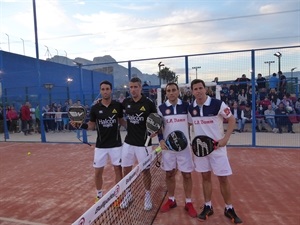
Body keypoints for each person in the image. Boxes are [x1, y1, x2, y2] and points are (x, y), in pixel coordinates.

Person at [188, 79, 242, 224]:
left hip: (218, 148)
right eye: (195, 89)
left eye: (200, 88)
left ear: (205, 89)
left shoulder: (217, 104)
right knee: (205, 177)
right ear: (192, 91)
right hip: (200, 150)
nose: (198, 91)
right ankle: (208, 206)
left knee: (223, 178)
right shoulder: (191, 108)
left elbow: (231, 120)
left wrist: (226, 138)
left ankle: (229, 208)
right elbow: (187, 124)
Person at [70, 80, 124, 203]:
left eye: (107, 89)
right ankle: (99, 195)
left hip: (116, 145)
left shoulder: (117, 106)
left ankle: (118, 195)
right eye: (103, 89)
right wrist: (80, 125)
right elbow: (91, 125)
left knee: (118, 170)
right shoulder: (95, 108)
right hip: (101, 146)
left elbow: (122, 121)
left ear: (111, 90)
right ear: (100, 91)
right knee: (98, 172)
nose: (105, 91)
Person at [157, 82, 197, 218]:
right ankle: (171, 200)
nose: (171, 93)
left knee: (187, 175)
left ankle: (188, 202)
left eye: (174, 90)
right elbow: (158, 127)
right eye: (169, 91)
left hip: (184, 148)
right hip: (168, 148)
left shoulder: (186, 106)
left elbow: (192, 123)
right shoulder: (161, 108)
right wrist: (161, 140)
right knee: (169, 174)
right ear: (166, 93)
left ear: (178, 92)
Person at [120, 77, 157, 211]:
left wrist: (155, 131)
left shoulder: (148, 103)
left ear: (140, 88)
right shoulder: (126, 102)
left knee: (145, 171)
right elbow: (116, 114)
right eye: (131, 87)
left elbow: (156, 120)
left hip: (144, 144)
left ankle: (147, 195)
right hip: (128, 142)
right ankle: (128, 194)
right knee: (126, 169)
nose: (133, 89)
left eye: (136, 87)